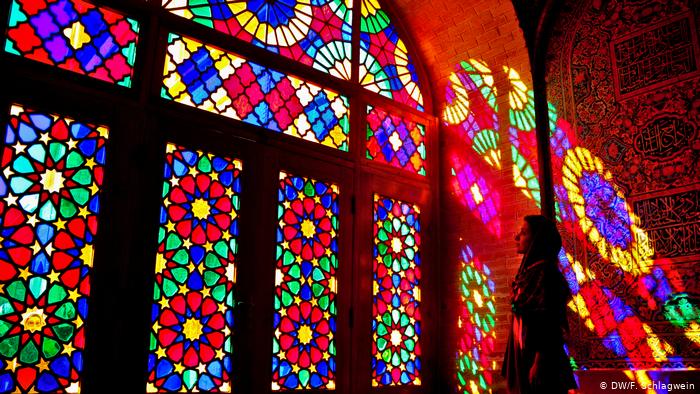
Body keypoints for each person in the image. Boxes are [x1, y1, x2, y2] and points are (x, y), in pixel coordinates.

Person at [501, 215, 577, 393]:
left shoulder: (546, 274)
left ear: (537, 240)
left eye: (524, 233)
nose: (517, 237)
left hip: (538, 356)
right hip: (523, 350)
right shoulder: (529, 273)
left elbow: (548, 322)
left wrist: (538, 362)